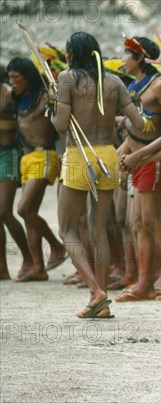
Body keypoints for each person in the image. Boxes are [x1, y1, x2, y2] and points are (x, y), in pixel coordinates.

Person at [51, 32, 144, 318]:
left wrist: (52, 105)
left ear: (71, 54)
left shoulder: (67, 79)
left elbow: (61, 126)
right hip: (107, 155)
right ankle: (100, 303)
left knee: (67, 229)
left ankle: (96, 290)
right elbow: (139, 124)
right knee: (98, 229)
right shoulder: (114, 81)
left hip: (79, 155)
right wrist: (117, 120)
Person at [115, 36, 161, 301]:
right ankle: (148, 281)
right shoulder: (135, 86)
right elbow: (136, 128)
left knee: (150, 220)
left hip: (153, 160)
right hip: (137, 159)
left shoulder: (156, 86)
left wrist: (140, 155)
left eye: (127, 55)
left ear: (140, 57)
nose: (122, 59)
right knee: (137, 222)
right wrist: (124, 152)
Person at [7, 57, 66, 281]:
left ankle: (56, 246)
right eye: (9, 76)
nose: (12, 81)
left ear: (28, 76)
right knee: (30, 214)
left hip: (45, 156)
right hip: (27, 159)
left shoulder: (45, 96)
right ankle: (38, 267)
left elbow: (59, 118)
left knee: (23, 209)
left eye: (16, 76)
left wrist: (54, 92)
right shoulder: (18, 98)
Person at [0, 66, 35, 280]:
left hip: (7, 155)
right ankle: (2, 267)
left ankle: (29, 259)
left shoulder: (9, 93)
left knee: (4, 212)